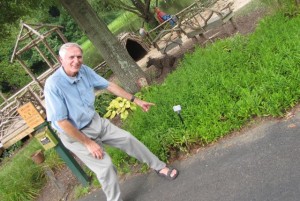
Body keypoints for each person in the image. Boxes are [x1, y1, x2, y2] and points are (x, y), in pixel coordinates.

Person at [44, 43, 179, 201]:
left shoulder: (84, 71)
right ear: (61, 60)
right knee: (106, 168)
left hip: (94, 121)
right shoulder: (53, 85)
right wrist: (88, 143)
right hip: (74, 134)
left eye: (79, 56)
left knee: (127, 138)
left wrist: (136, 100)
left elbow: (109, 85)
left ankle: (159, 167)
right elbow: (62, 122)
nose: (76, 61)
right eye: (71, 57)